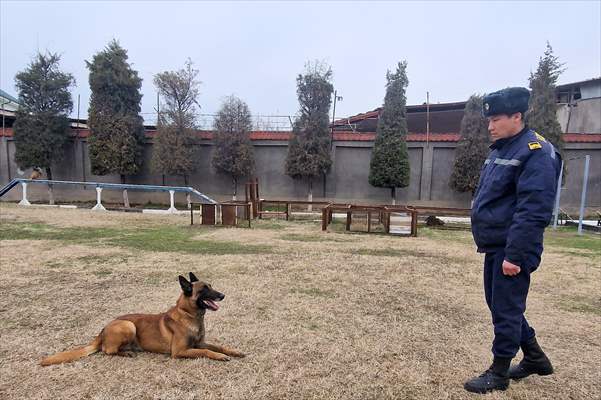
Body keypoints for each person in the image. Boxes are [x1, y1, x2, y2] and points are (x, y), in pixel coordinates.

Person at [464, 87, 561, 394]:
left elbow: (533, 210)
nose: (490, 125)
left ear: (517, 116)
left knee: (505, 308)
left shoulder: (536, 152)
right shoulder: (503, 149)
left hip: (512, 247)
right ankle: (535, 358)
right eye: (488, 119)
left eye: (496, 119)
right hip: (497, 243)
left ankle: (499, 372)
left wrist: (515, 256)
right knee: (500, 304)